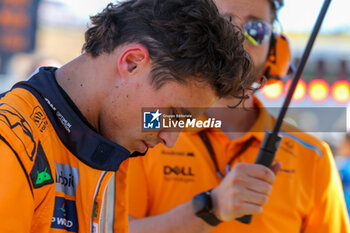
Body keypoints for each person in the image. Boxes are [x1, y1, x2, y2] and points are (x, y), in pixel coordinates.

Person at [0, 0, 254, 232]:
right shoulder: (11, 143)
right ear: (132, 62)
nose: (170, 138)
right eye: (174, 115)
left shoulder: (107, 148)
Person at [127, 0, 350, 232]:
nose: (239, 40)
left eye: (256, 30)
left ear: (275, 48)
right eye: (222, 24)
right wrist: (211, 209)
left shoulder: (313, 157)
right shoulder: (144, 134)